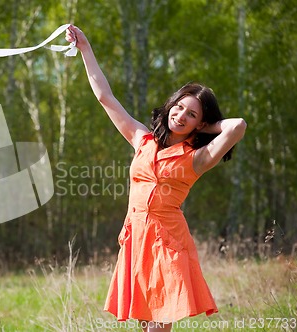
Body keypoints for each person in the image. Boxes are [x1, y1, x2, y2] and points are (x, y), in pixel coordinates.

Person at [65, 25, 246, 332]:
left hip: (169, 241)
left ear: (199, 123)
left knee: (159, 325)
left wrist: (206, 128)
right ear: (169, 106)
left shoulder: (197, 158)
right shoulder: (142, 139)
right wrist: (85, 49)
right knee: (145, 322)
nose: (181, 116)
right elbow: (104, 97)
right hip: (136, 236)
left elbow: (238, 125)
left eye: (191, 114)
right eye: (179, 107)